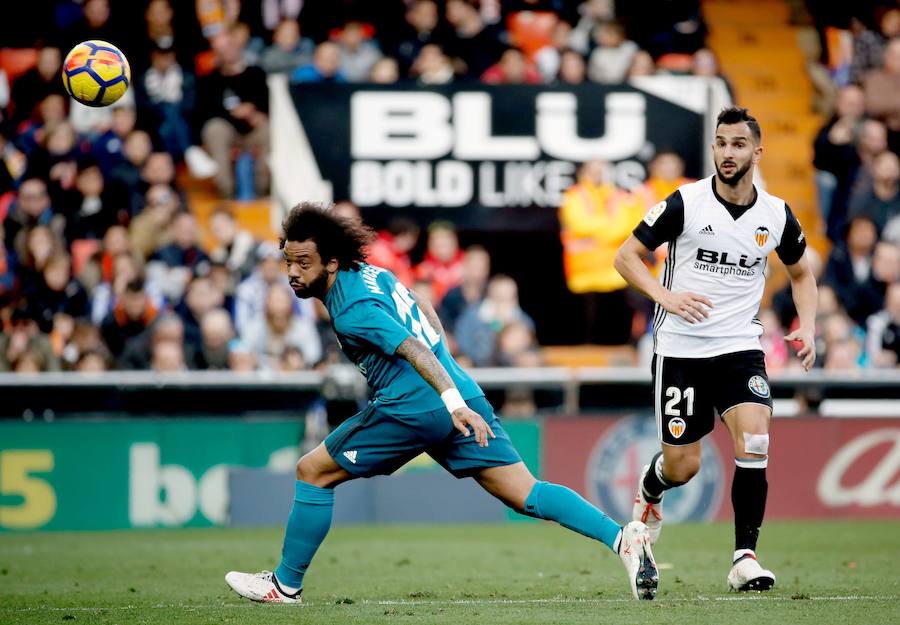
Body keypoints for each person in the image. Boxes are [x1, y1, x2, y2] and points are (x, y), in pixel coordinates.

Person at [224, 202, 658, 603]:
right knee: (527, 493)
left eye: (304, 263)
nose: (293, 273)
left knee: (312, 472)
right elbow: (423, 306)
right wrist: (450, 380)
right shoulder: (374, 274)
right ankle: (623, 539)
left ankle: (286, 584)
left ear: (331, 262)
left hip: (416, 403)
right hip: (457, 390)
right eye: (289, 262)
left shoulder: (352, 305)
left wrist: (448, 401)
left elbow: (414, 349)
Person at [614, 107, 818, 592]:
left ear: (757, 152)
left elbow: (801, 274)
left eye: (738, 144)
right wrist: (666, 297)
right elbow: (625, 257)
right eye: (721, 144)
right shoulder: (685, 203)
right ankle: (652, 484)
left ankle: (744, 557)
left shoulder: (776, 214)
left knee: (756, 439)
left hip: (738, 347)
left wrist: (807, 325)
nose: (728, 153)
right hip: (681, 349)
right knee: (684, 467)